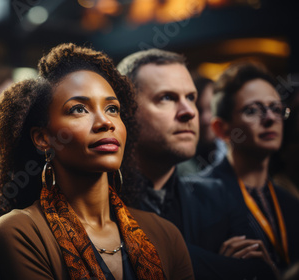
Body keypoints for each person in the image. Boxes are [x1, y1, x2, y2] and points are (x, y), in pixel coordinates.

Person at [0, 43, 194, 280]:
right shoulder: (20, 231)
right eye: (78, 109)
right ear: (43, 138)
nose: (105, 122)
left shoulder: (164, 233)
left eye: (112, 109)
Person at [117, 48, 276, 279]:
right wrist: (223, 267)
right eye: (167, 98)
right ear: (125, 112)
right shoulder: (100, 204)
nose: (189, 112)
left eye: (190, 97)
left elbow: (259, 272)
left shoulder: (219, 194)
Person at [203, 62, 299, 271]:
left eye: (276, 108)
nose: (270, 118)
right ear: (221, 129)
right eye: (253, 110)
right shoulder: (197, 196)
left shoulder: (290, 203)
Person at [177, 76, 226, 176]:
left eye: (211, 108)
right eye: (199, 109)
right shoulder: (181, 164)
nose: (205, 119)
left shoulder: (234, 152)